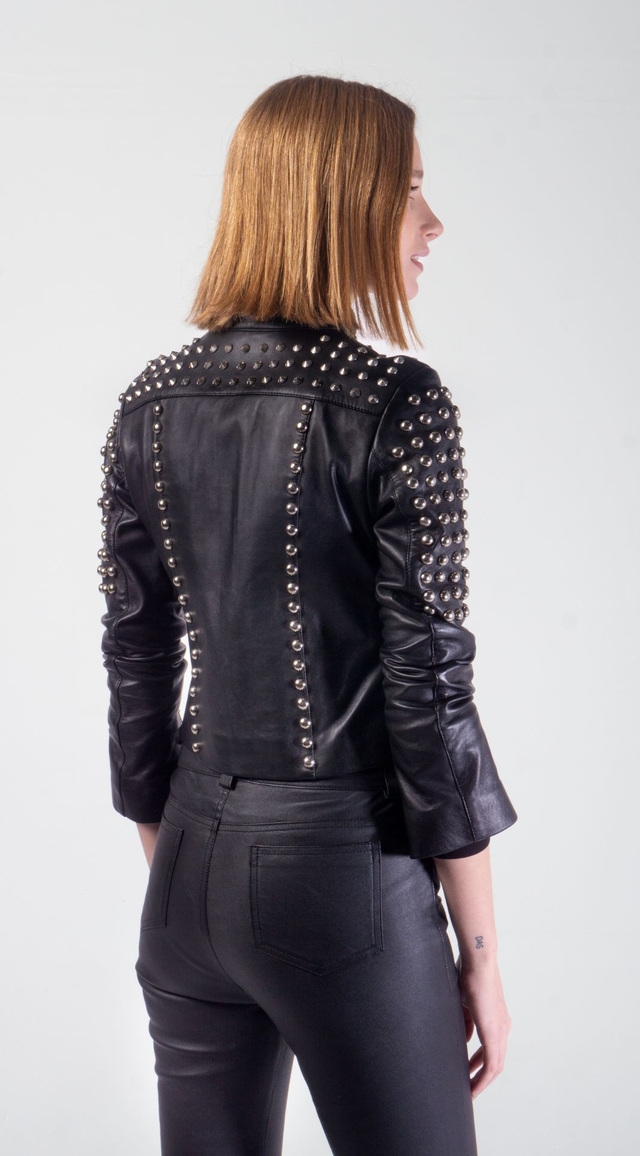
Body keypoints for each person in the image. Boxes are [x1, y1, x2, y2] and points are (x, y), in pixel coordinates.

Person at [97, 74, 518, 1156]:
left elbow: (135, 664)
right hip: (341, 880)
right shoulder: (398, 405)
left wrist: (190, 873)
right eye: (410, 188)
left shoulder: (148, 403)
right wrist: (481, 955)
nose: (433, 221)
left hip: (182, 875)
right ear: (341, 201)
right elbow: (431, 696)